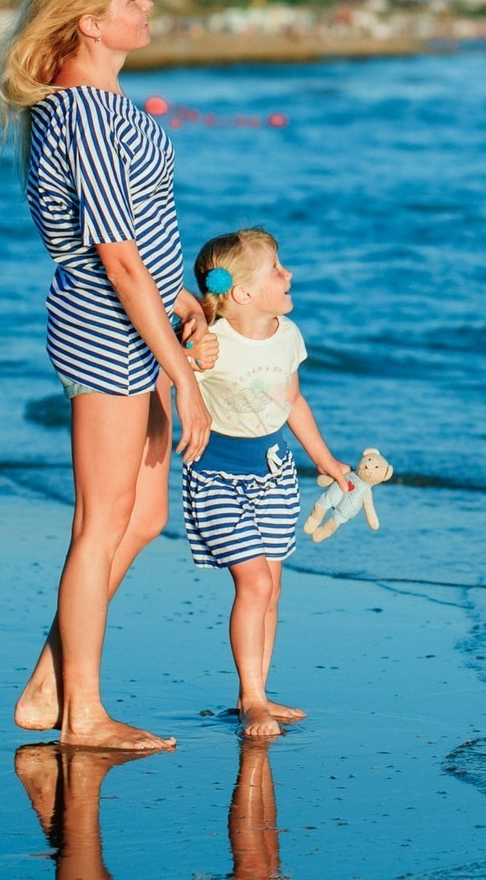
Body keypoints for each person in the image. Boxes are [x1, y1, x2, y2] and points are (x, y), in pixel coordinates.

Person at [0, 0, 218, 752]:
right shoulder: (82, 110)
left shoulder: (106, 106)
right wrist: (176, 371)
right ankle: (81, 714)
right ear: (91, 21)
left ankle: (53, 681)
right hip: (106, 326)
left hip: (141, 319)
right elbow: (115, 255)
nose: (147, 4)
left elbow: (146, 242)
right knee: (100, 520)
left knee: (144, 513)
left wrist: (186, 302)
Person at [185, 227, 360, 740]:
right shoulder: (209, 342)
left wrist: (326, 462)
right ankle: (253, 700)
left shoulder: (288, 334)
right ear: (241, 293)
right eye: (276, 270)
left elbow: (293, 402)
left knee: (273, 584)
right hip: (217, 476)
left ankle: (254, 689)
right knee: (254, 582)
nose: (290, 275)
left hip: (276, 473)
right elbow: (170, 382)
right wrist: (187, 358)